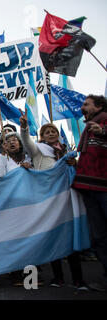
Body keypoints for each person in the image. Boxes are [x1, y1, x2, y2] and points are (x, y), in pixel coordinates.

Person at [20, 108, 88, 290]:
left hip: (68, 197)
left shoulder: (66, 152)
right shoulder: (38, 151)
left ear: (58, 135)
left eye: (53, 131)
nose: (51, 134)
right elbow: (26, 142)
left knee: (70, 236)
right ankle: (58, 277)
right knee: (54, 237)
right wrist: (24, 128)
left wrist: (74, 164)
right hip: (48, 199)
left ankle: (78, 280)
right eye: (47, 132)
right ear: (42, 136)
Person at [71, 94, 107, 292]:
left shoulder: (102, 122)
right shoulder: (89, 127)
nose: (82, 107)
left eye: (86, 104)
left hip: (103, 188)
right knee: (99, 236)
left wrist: (103, 130)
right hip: (89, 189)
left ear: (99, 106)